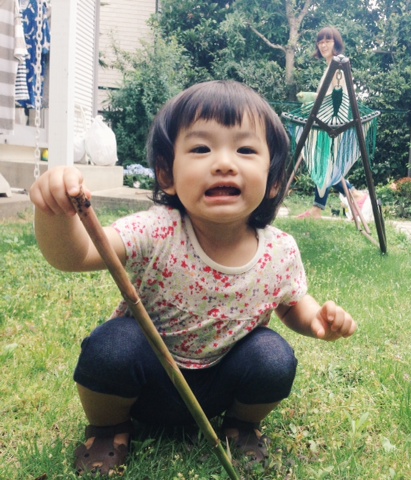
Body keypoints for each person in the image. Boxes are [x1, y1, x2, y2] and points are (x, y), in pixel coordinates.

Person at [29, 81, 357, 476]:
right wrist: (54, 212)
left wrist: (316, 319)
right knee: (111, 347)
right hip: (146, 382)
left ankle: (242, 425)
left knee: (273, 357)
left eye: (245, 150)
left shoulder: (280, 250)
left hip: (221, 388)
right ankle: (108, 429)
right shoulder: (156, 230)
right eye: (201, 149)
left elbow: (291, 304)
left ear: (273, 181)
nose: (223, 163)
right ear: (166, 173)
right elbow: (77, 255)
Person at [295, 26, 369, 220]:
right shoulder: (331, 66)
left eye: (328, 41)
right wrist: (310, 96)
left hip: (331, 122)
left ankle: (350, 195)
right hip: (326, 119)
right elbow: (325, 95)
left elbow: (335, 98)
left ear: (336, 43)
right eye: (320, 42)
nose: (323, 45)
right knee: (324, 163)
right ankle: (326, 205)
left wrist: (311, 101)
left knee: (321, 162)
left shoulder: (339, 65)